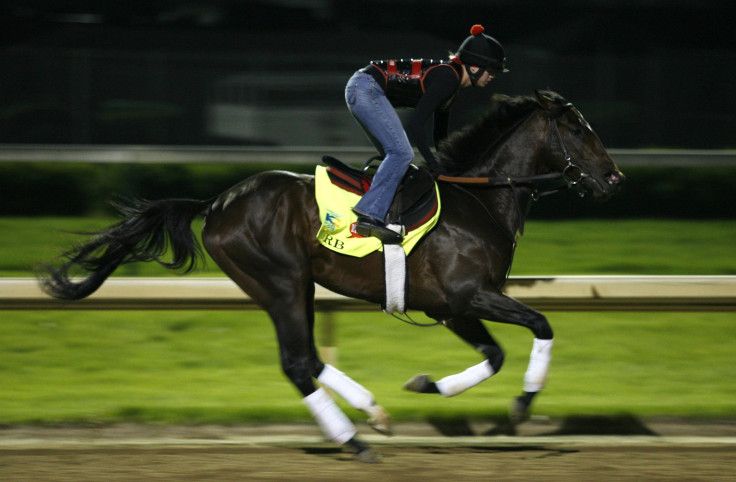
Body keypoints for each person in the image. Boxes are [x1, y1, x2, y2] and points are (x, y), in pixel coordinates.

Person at [345, 24, 508, 243]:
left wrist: (448, 166)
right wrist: (435, 166)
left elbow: (440, 135)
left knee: (396, 158)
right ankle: (369, 215)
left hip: (362, 86)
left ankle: (387, 214)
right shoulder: (448, 78)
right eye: (491, 70)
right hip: (366, 87)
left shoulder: (452, 85)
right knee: (401, 154)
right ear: (475, 66)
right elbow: (415, 126)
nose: (492, 77)